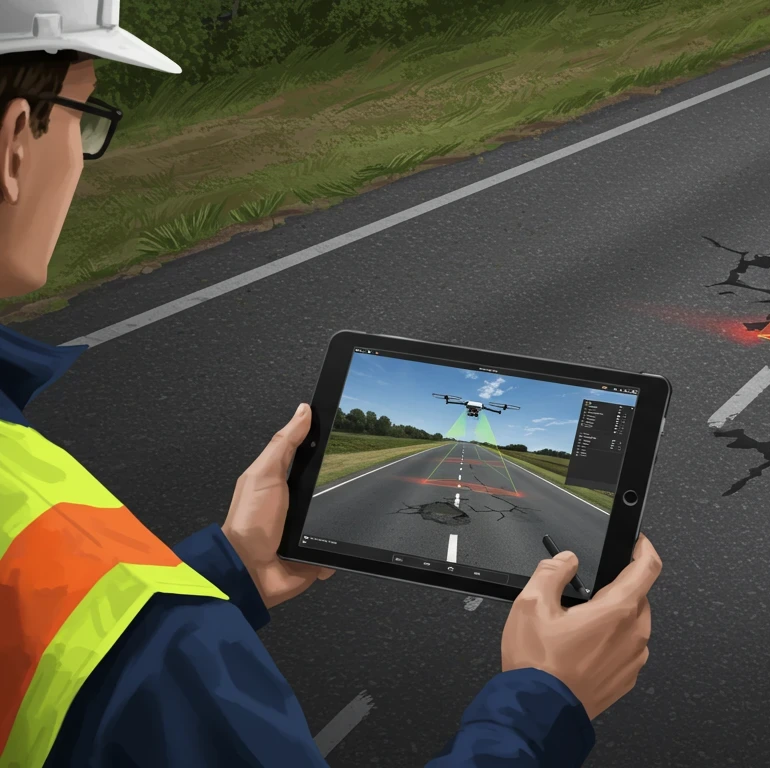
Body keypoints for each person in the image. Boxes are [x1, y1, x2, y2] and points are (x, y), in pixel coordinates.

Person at [0, 3, 662, 766]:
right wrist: (542, 708)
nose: (86, 157)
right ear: (18, 141)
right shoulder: (152, 648)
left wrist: (225, 571)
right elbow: (97, 643)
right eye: (87, 121)